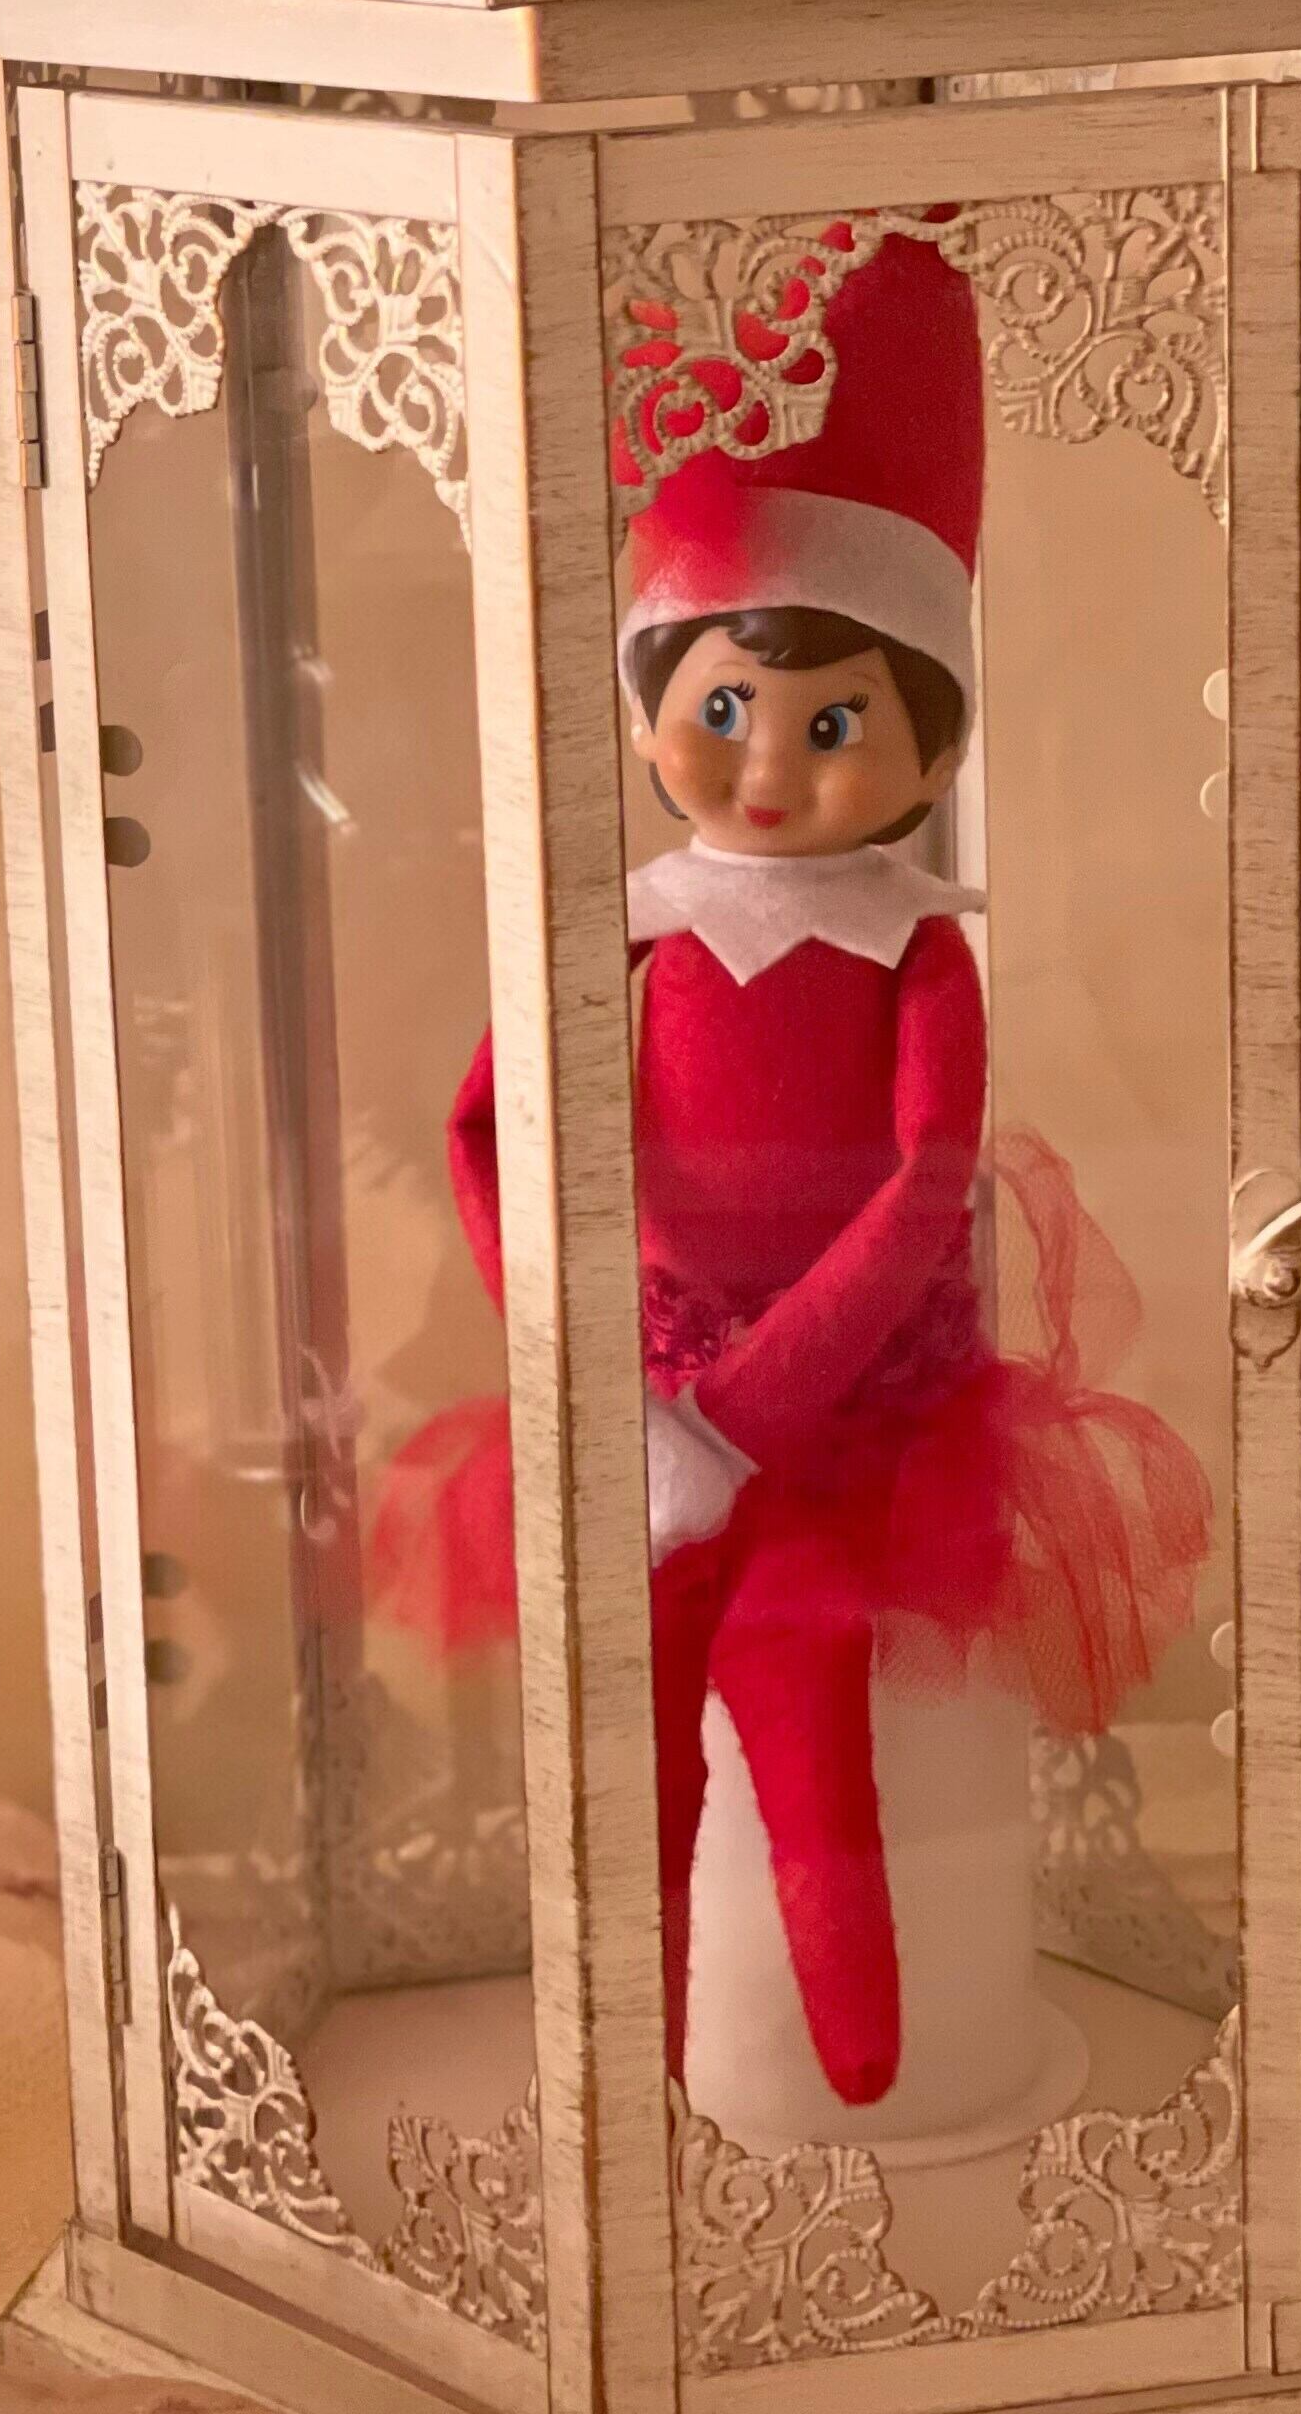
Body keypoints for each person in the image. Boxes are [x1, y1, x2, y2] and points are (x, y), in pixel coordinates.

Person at [370, 225, 1209, 2129]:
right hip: (650, 1385)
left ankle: (859, 2057)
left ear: (924, 744)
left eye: (833, 726)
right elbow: (490, 1129)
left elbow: (925, 1185)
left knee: (818, 1691)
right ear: (651, 707)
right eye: (725, 711)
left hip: (854, 1423)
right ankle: (644, 2073)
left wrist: (738, 1417)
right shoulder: (629, 935)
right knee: (633, 1733)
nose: (767, 770)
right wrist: (590, 1357)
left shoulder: (917, 953)